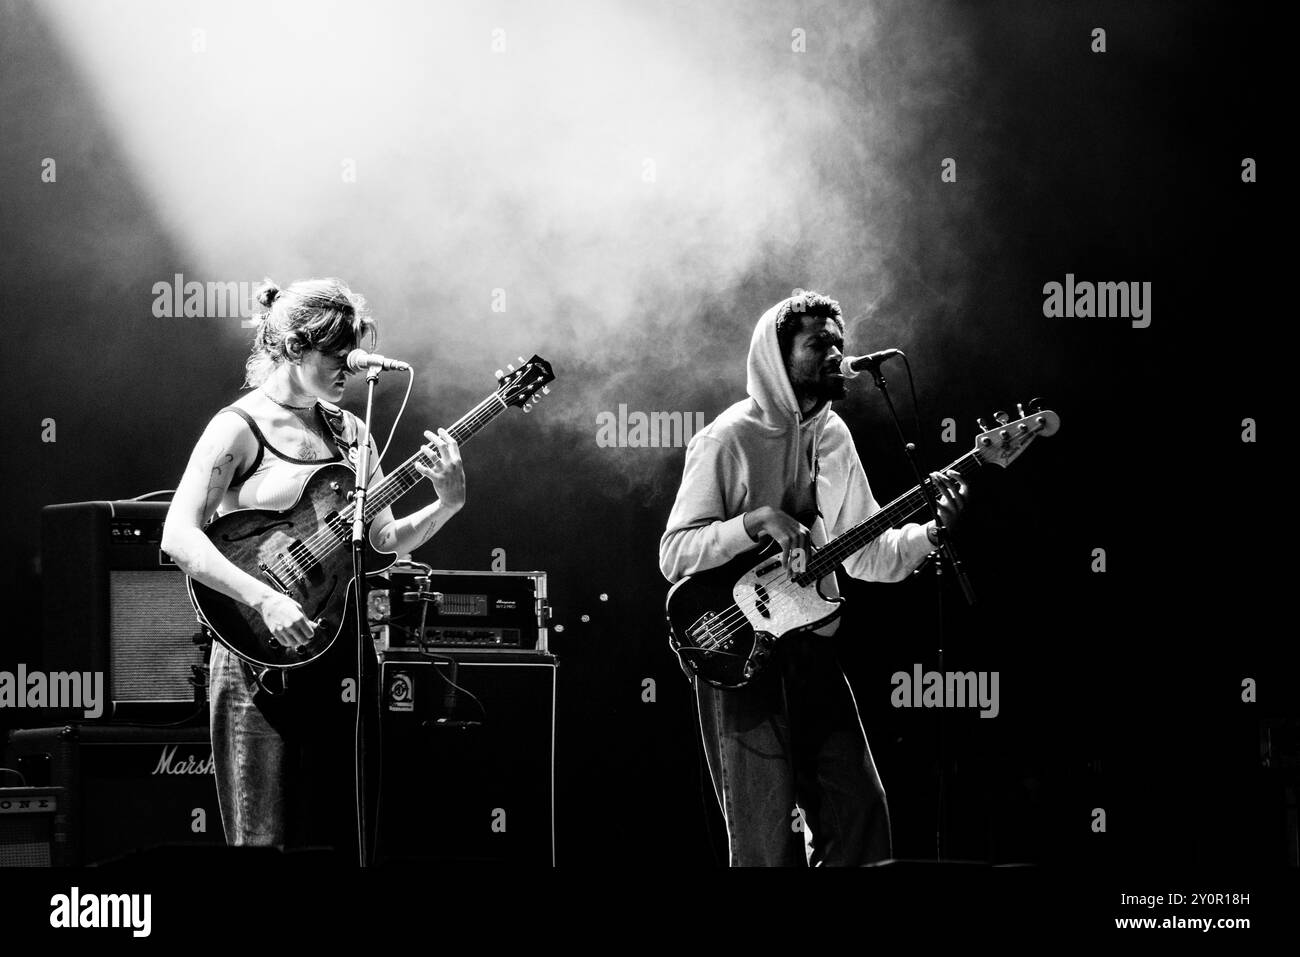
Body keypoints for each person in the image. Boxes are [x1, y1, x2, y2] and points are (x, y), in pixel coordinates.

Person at [659, 290, 968, 866]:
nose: (836, 353)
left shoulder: (834, 436)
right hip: (739, 650)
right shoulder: (728, 438)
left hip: (812, 653)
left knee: (860, 813)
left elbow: (866, 553)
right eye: (818, 343)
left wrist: (931, 534)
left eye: (838, 342)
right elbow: (675, 554)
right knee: (762, 842)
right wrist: (755, 522)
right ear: (779, 356)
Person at [162, 278, 466, 861]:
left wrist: (446, 502)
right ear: (294, 348)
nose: (349, 367)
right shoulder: (238, 425)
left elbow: (384, 538)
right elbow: (179, 535)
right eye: (337, 355)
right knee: (261, 838)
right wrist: (265, 599)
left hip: (333, 650)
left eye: (354, 353)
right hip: (255, 652)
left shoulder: (350, 432)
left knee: (336, 833)